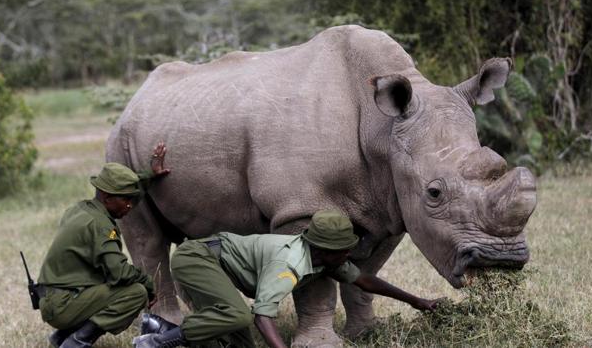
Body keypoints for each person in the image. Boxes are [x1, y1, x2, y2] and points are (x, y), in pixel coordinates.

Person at [132, 210, 442, 348]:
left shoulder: (323, 260)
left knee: (236, 342)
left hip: (219, 264)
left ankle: (158, 328)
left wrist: (417, 301)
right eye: (345, 249)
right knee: (237, 316)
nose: (350, 253)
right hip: (198, 258)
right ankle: (157, 342)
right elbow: (262, 316)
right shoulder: (290, 264)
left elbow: (363, 280)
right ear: (327, 250)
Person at [37, 142, 171, 348]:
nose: (130, 205)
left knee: (106, 283)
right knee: (136, 292)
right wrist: (149, 284)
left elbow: (123, 190)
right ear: (107, 198)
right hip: (63, 303)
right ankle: (79, 340)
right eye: (126, 200)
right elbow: (120, 273)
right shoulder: (100, 226)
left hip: (53, 299)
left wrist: (149, 175)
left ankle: (62, 336)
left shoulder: (81, 209)